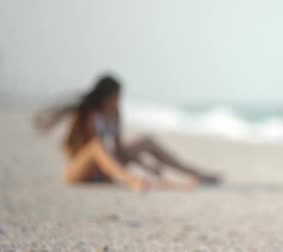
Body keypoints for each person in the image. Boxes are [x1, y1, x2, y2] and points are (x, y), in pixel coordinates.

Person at [34, 74, 220, 191]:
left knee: (146, 140)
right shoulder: (87, 115)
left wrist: (146, 165)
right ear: (106, 96)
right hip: (79, 171)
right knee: (96, 146)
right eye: (116, 96)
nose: (119, 100)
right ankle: (132, 181)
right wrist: (129, 172)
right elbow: (90, 150)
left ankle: (194, 172)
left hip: (105, 168)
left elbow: (118, 148)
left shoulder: (115, 113)